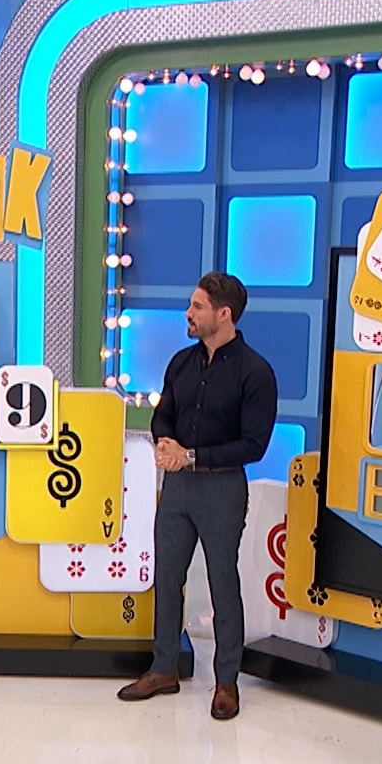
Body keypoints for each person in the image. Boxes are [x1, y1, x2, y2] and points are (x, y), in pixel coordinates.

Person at [118, 272, 278, 721]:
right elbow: (162, 415)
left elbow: (254, 445)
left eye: (197, 306)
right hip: (177, 489)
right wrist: (165, 443)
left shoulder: (256, 372)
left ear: (224, 315)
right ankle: (163, 668)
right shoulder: (180, 363)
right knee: (167, 576)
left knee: (223, 582)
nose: (187, 313)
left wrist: (191, 456)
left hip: (222, 488)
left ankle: (226, 682)